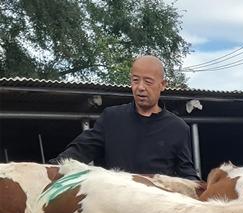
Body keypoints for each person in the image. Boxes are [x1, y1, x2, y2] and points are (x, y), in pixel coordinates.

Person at [53, 55, 199, 179]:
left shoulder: (177, 128)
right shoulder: (111, 118)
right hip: (114, 207)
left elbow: (186, 174)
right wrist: (47, 170)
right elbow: (78, 152)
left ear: (162, 85)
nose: (140, 87)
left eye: (148, 82)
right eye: (135, 80)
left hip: (155, 208)